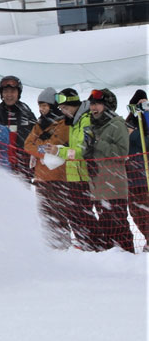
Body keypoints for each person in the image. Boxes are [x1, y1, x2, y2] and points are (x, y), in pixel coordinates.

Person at [84, 88, 133, 252]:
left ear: (108, 106)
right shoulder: (93, 124)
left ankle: (127, 258)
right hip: (98, 186)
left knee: (118, 228)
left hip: (114, 186)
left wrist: (98, 142)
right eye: (92, 104)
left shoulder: (117, 124)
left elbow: (122, 152)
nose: (93, 108)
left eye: (98, 103)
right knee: (105, 228)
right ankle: (111, 262)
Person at [23, 88, 72, 249]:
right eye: (40, 105)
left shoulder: (64, 123)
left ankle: (63, 244)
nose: (42, 109)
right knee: (45, 214)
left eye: (45, 105)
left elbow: (56, 145)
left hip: (58, 176)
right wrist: (43, 149)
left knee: (59, 212)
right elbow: (28, 145)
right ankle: (51, 244)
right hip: (41, 177)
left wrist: (40, 148)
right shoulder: (39, 123)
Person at [48, 88, 97, 251]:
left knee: (83, 213)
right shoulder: (74, 121)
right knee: (75, 212)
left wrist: (60, 151)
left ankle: (92, 244)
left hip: (83, 175)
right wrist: (50, 150)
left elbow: (82, 150)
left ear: (74, 104)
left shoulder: (85, 120)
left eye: (65, 108)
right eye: (61, 109)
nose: (63, 112)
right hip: (73, 175)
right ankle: (85, 243)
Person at [0, 75, 36, 177]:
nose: (9, 95)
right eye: (6, 92)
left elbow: (36, 133)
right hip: (2, 163)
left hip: (23, 163)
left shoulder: (25, 111)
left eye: (12, 92)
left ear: (18, 93)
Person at [125, 89, 149, 245]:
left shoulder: (146, 121)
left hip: (145, 176)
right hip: (131, 176)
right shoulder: (126, 124)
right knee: (135, 211)